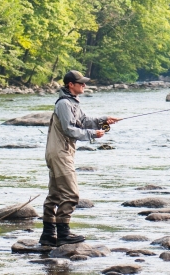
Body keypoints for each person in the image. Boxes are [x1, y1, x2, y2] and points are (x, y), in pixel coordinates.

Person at [41, 70, 119, 246]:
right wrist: (93, 134)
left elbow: (83, 121)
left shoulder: (72, 102)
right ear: (71, 85)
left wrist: (104, 120)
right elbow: (70, 129)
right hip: (60, 153)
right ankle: (63, 233)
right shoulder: (64, 104)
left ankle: (48, 234)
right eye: (81, 83)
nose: (84, 85)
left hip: (60, 152)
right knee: (71, 194)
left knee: (55, 194)